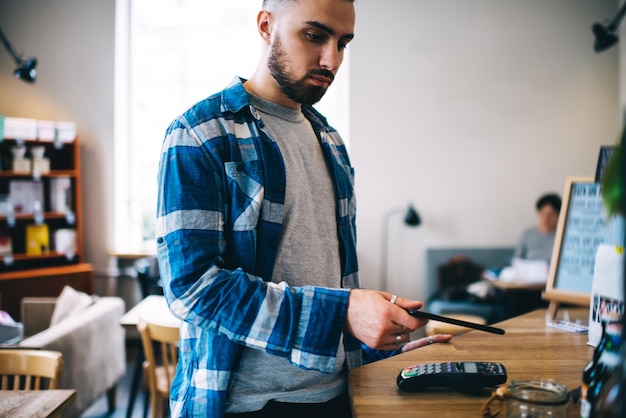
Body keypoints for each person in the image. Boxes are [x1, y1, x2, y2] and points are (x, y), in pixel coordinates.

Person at [156, 1, 451, 416]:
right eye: (315, 36)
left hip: (336, 395)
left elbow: (329, 279)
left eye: (343, 43)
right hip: (243, 404)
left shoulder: (330, 139)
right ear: (265, 26)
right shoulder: (199, 134)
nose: (331, 60)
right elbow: (193, 290)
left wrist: (379, 346)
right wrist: (342, 313)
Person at [514, 193, 562, 262]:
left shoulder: (562, 236)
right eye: (542, 214)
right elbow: (518, 259)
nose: (545, 219)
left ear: (559, 215)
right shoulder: (527, 234)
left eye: (550, 215)